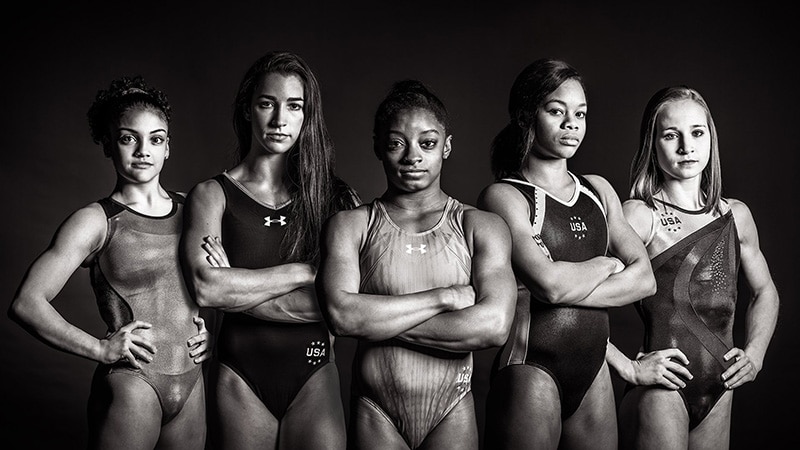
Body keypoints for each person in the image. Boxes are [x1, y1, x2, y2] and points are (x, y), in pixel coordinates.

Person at [8, 75, 211, 449]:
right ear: (107, 144)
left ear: (168, 148)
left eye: (156, 139)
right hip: (133, 385)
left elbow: (214, 286)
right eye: (127, 138)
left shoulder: (194, 209)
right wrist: (99, 349)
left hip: (193, 383)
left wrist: (209, 331)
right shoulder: (94, 220)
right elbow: (26, 303)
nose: (143, 151)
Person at [316, 79, 517, 450]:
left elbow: (493, 326)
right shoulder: (351, 225)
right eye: (396, 144)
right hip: (376, 411)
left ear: (447, 146)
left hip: (452, 409)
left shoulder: (480, 225)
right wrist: (444, 297)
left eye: (427, 143)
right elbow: (343, 316)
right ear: (378, 146)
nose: (412, 157)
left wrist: (376, 319)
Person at [179, 50, 360, 449]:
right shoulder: (212, 195)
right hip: (240, 373)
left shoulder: (334, 198)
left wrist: (237, 287)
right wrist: (305, 273)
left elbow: (346, 307)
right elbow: (209, 290)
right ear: (248, 109)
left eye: (293, 106)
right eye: (267, 104)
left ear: (306, 115)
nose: (280, 120)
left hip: (314, 372)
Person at [476, 58, 657, 449]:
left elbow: (645, 279)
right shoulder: (504, 196)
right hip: (532, 367)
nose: (571, 124)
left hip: (593, 372)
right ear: (527, 116)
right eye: (556, 111)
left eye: (580, 113)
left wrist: (568, 280)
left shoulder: (598, 190)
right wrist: (608, 264)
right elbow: (550, 286)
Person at [604, 85, 780, 449]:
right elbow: (573, 296)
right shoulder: (641, 215)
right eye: (671, 135)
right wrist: (626, 366)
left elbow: (765, 292)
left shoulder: (735, 216)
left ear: (710, 139)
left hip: (720, 392)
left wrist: (756, 356)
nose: (687, 146)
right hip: (662, 392)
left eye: (697, 133)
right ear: (653, 144)